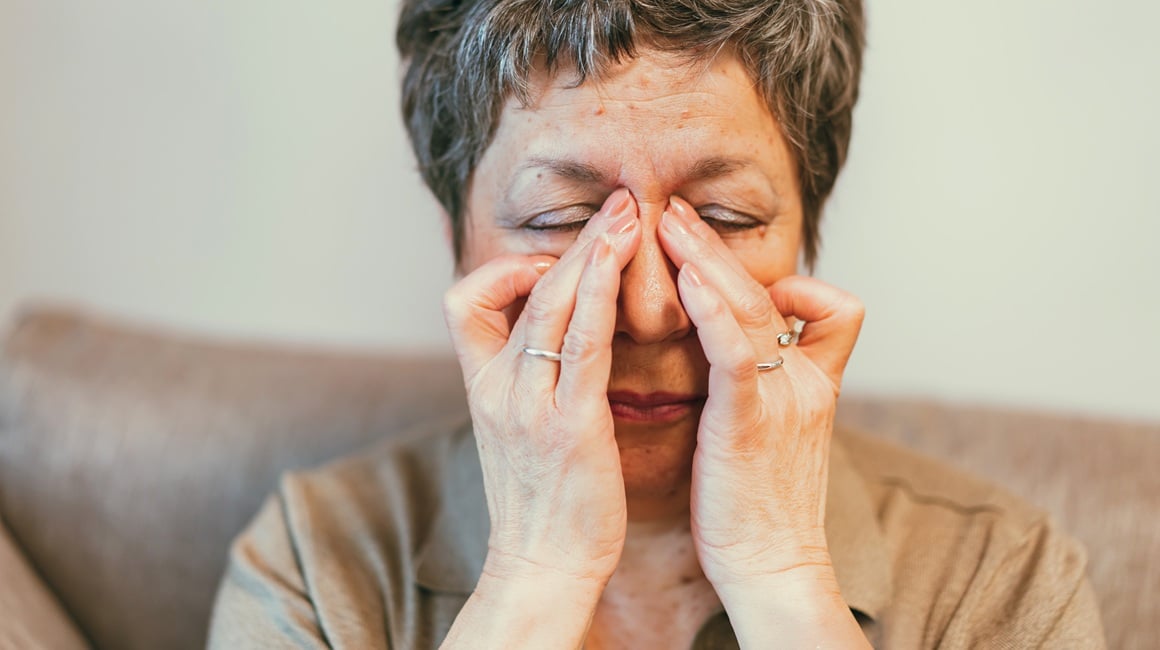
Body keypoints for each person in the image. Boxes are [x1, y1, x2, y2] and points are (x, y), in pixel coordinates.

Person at [209, 1, 1106, 647]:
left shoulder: (1002, 576)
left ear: (807, 235)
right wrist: (535, 580)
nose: (646, 309)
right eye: (565, 220)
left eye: (719, 220)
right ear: (456, 242)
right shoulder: (317, 566)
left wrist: (782, 580)